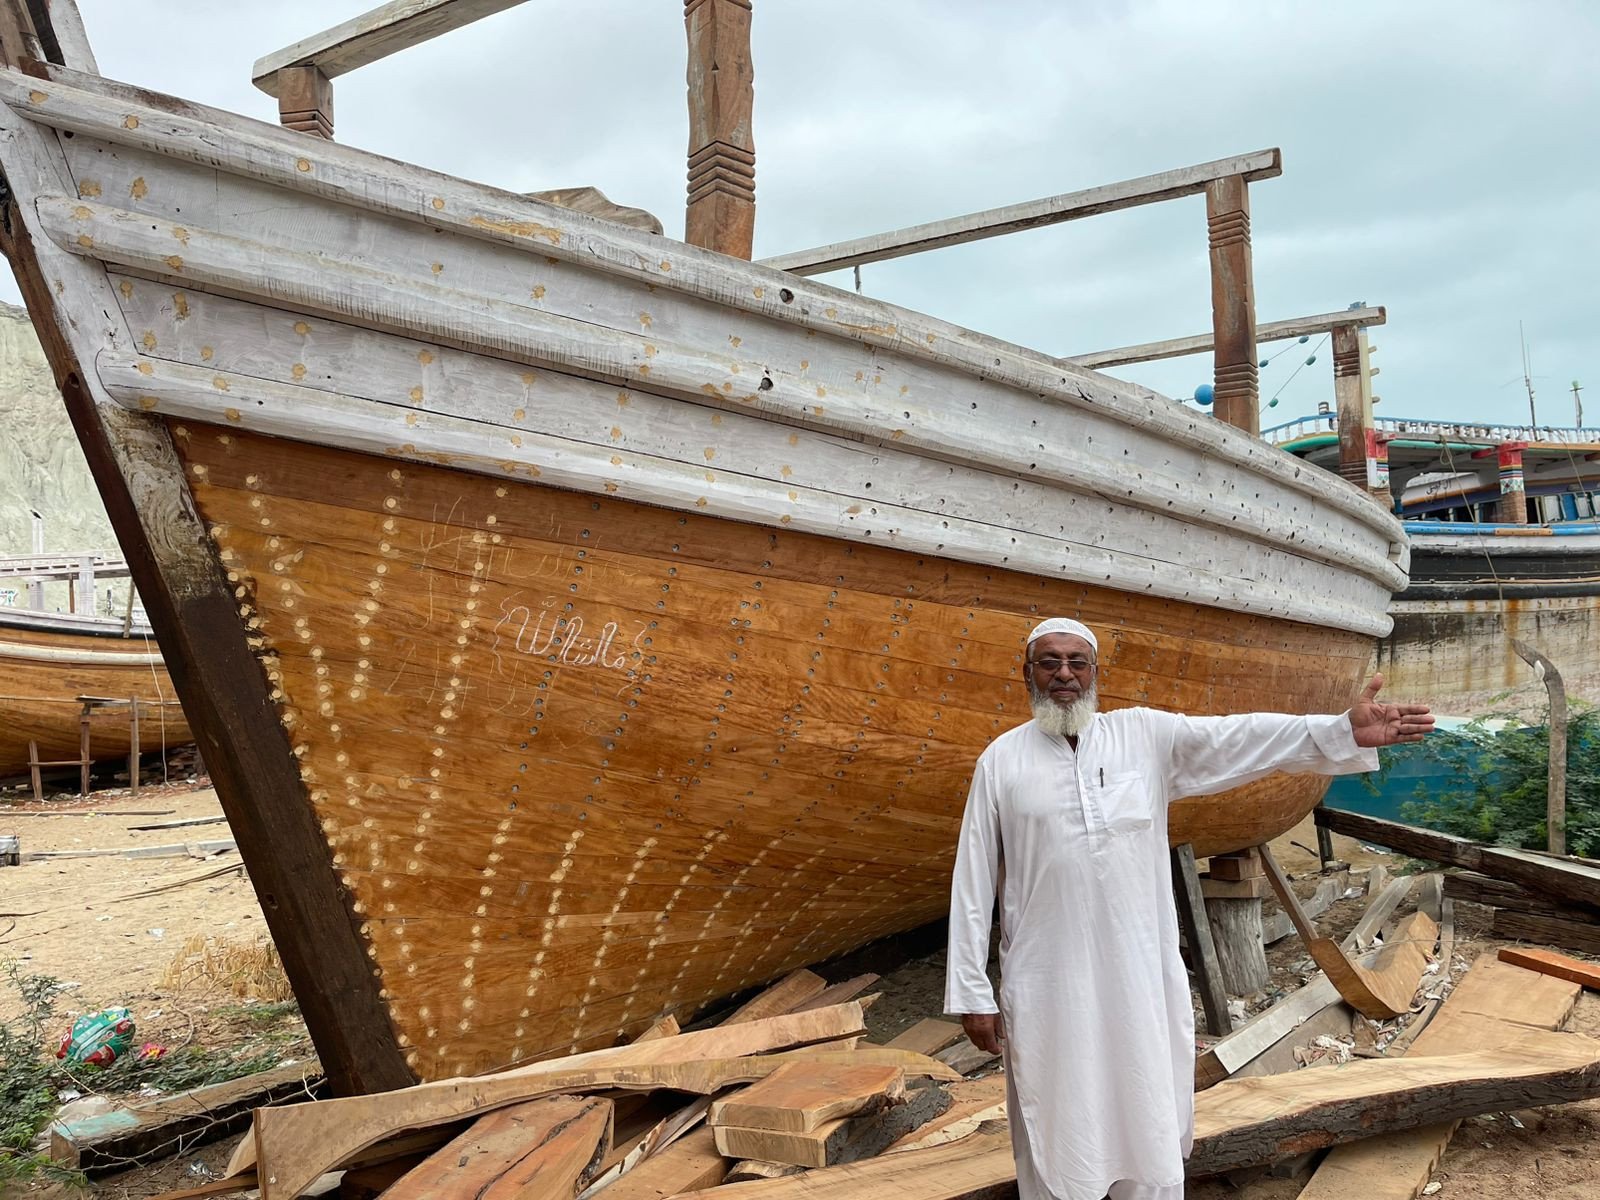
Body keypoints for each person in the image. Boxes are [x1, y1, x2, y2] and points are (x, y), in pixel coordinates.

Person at [944, 617, 1434, 1200]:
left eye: (1077, 662)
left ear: (1096, 673)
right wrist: (972, 991)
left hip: (1139, 974)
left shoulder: (1143, 736)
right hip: (1050, 980)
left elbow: (1240, 738)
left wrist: (1338, 731)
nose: (1064, 675)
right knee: (1056, 1109)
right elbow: (972, 879)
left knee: (1144, 1103)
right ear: (1026, 673)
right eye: (1049, 662)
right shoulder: (1000, 762)